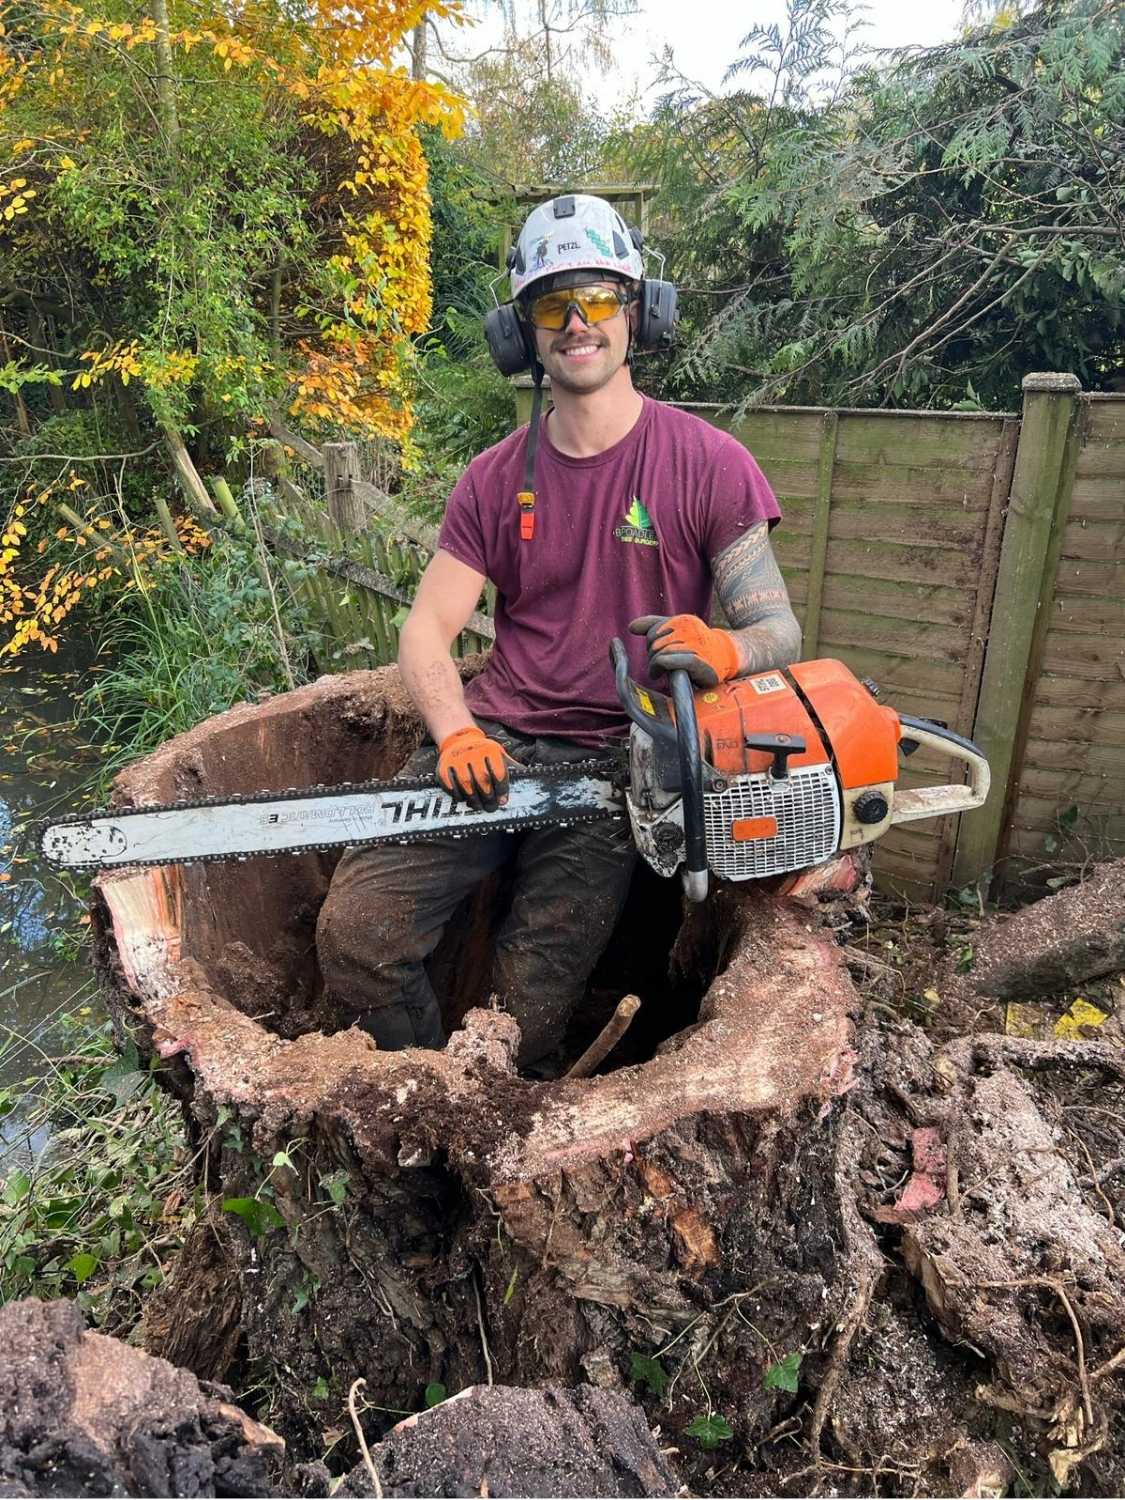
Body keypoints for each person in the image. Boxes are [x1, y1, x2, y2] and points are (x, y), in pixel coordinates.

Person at [316, 193, 802, 1070]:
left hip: (618, 768)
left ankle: (498, 1106)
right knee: (357, 937)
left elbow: (776, 626)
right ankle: (432, 1098)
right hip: (494, 743)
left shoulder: (707, 462)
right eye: (552, 305)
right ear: (524, 334)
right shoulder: (493, 479)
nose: (578, 323)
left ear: (639, 310)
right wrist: (456, 728)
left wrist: (728, 648)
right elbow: (426, 629)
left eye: (600, 298)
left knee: (529, 1008)